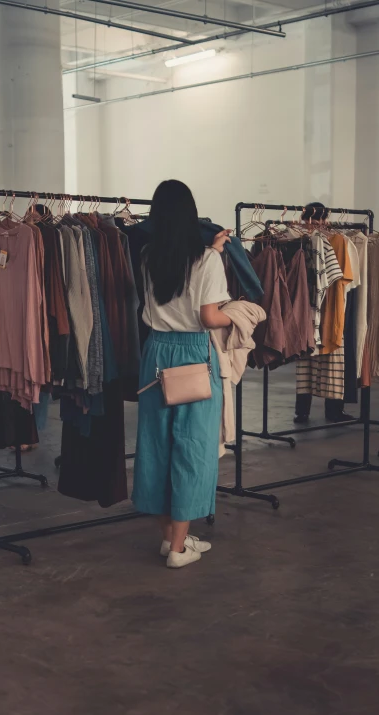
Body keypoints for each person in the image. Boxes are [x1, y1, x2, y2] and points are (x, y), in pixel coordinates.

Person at [132, 179, 232, 569]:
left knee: (156, 446)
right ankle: (177, 551)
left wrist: (215, 252)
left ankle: (172, 538)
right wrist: (238, 314)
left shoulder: (146, 256)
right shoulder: (207, 261)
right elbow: (209, 317)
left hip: (156, 351)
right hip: (193, 352)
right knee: (192, 449)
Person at [294, 202, 355, 424]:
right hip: (329, 307)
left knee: (305, 360)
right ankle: (333, 411)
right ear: (326, 218)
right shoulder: (337, 241)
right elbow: (344, 280)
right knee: (333, 359)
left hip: (303, 308)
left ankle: (301, 412)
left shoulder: (297, 239)